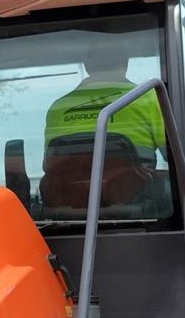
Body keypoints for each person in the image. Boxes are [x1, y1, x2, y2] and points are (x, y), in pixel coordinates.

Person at [40, 44, 167, 211]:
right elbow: (171, 153)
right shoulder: (148, 98)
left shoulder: (59, 107)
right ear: (125, 64)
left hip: (72, 203)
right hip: (133, 199)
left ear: (87, 66)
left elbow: (49, 166)